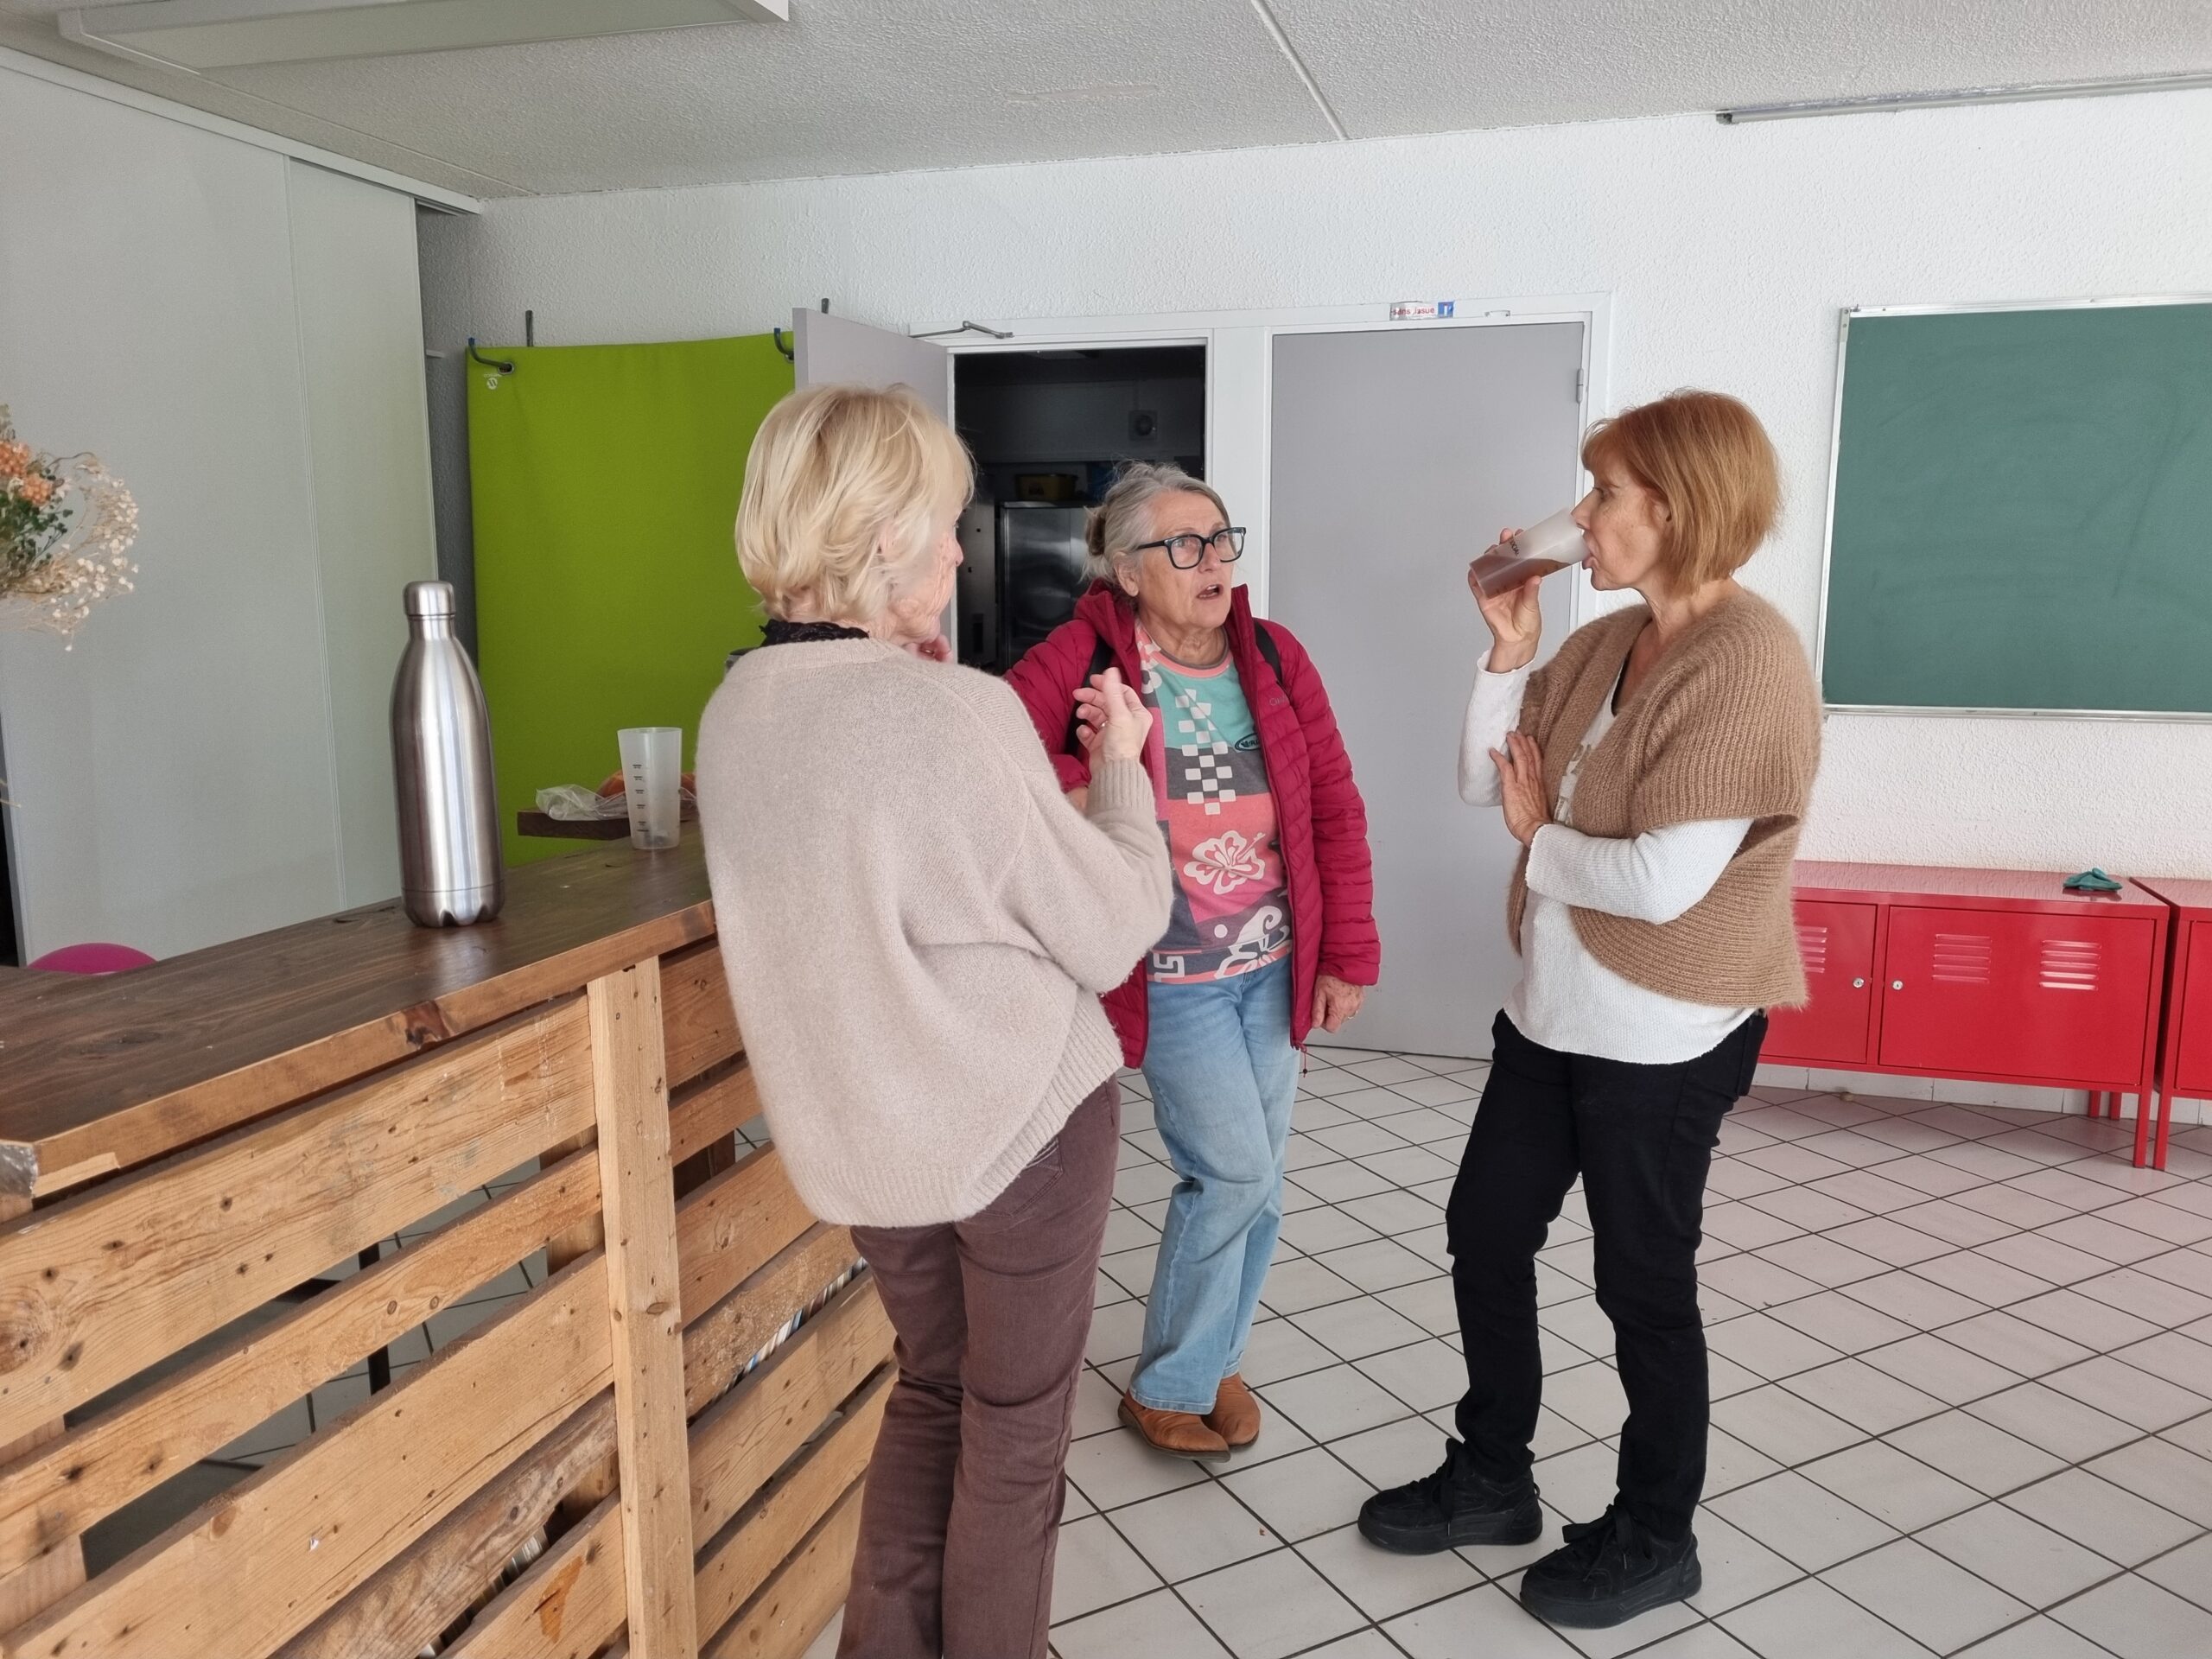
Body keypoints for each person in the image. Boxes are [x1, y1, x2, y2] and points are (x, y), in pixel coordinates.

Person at [695, 384, 1173, 1659]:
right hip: (1017, 1125)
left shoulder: (736, 710)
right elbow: (1115, 920)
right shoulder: (948, 712)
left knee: (932, 1398)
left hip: (869, 1150)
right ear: (880, 530)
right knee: (1014, 1440)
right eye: (945, 520)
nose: (963, 549)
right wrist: (1122, 766)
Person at [1356, 391, 1820, 1630]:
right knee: (1486, 1233)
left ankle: (1657, 1533)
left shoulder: (1749, 665)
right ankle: (1495, 1475)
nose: (1581, 515)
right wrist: (1508, 649)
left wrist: (1538, 836)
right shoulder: (1610, 643)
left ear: (1675, 508)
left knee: (1643, 1286)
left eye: (1604, 494)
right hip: (1550, 1015)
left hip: (1663, 1039)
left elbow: (1663, 887)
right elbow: (1478, 779)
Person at [1006, 462, 1380, 1462]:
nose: (1211, 562)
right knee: (1231, 1174)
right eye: (1183, 545)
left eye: (1220, 539)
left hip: (1272, 961)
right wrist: (1093, 778)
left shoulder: (1273, 654)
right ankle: (1171, 1381)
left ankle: (1214, 1352)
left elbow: (1333, 807)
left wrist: (1346, 952)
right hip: (1168, 973)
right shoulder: (1082, 658)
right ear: (1125, 570)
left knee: (1262, 1179)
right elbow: (992, 759)